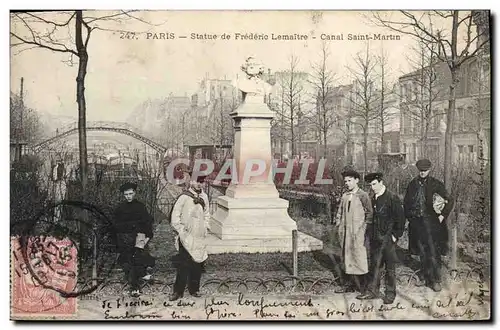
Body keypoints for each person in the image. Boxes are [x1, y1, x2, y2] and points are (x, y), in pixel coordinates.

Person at [404, 159, 454, 292]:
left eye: (425, 170)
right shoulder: (412, 184)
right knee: (422, 252)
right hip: (417, 224)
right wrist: (410, 218)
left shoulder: (436, 184)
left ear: (429, 170)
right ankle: (426, 278)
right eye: (420, 170)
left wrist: (442, 215)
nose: (422, 173)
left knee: (433, 252)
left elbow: (450, 200)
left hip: (432, 224)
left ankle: (436, 280)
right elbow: (406, 203)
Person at [357, 172, 405, 304]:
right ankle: (373, 291)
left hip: (388, 239)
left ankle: (390, 293)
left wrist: (395, 236)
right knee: (375, 266)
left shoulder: (392, 198)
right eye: (370, 185)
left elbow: (400, 219)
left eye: (374, 184)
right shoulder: (373, 199)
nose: (372, 187)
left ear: (381, 182)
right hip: (375, 239)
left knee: (390, 268)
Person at [169, 174, 210, 301]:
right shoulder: (184, 197)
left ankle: (194, 289)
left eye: (202, 182)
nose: (199, 184)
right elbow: (175, 216)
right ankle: (178, 291)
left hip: (198, 235)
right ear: (191, 181)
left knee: (197, 263)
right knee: (183, 264)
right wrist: (181, 230)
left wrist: (205, 227)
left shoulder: (204, 197)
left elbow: (207, 214)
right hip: (186, 236)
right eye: (197, 181)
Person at [334, 169, 373, 294]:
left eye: (350, 181)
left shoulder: (363, 195)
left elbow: (369, 213)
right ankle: (350, 284)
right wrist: (339, 224)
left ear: (356, 180)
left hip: (358, 232)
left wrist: (364, 229)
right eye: (345, 181)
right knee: (347, 257)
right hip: (346, 232)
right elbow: (339, 212)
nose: (347, 183)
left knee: (359, 257)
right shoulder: (345, 195)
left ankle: (364, 286)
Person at [113, 182, 155, 297]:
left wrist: (147, 237)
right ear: (123, 195)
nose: (128, 196)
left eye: (131, 193)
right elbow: (116, 225)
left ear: (135, 193)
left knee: (136, 259)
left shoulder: (140, 206)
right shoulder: (120, 208)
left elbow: (147, 223)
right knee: (128, 261)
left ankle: (134, 287)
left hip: (139, 237)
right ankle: (140, 278)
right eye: (126, 194)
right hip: (125, 238)